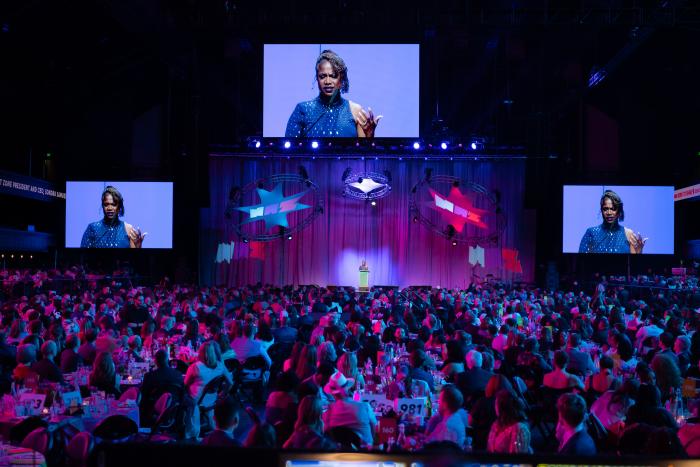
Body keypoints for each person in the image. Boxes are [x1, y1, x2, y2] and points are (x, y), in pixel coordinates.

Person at [285, 49, 382, 138]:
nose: (328, 81)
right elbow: (287, 153)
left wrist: (370, 136)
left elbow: (363, 155)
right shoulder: (303, 110)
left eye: (333, 76)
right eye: (322, 76)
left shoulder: (355, 111)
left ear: (342, 79)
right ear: (317, 78)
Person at [183, 341, 233, 439]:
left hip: (196, 400)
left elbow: (185, 384)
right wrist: (223, 393)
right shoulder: (220, 366)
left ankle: (185, 428)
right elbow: (230, 383)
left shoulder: (195, 367)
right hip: (212, 399)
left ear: (201, 353)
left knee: (179, 394)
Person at [578, 190, 646, 254]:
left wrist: (639, 252)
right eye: (605, 209)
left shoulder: (628, 234)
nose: (609, 212)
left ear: (619, 211)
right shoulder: (591, 233)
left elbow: (632, 264)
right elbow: (581, 261)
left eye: (613, 209)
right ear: (601, 211)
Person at [80, 185, 146, 248]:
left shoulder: (128, 229)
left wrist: (138, 247)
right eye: (106, 204)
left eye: (113, 204)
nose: (109, 208)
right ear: (102, 206)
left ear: (119, 207)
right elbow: (82, 257)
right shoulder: (92, 228)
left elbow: (135, 259)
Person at [322, 371, 377, 446]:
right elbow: (374, 428)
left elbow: (325, 434)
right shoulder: (365, 407)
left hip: (338, 454)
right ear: (347, 387)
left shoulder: (328, 413)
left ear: (332, 393)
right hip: (364, 453)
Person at [487, 389, 532, 454]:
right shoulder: (496, 424)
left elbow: (517, 458)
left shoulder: (519, 429)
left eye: (496, 403)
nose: (494, 407)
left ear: (502, 407)